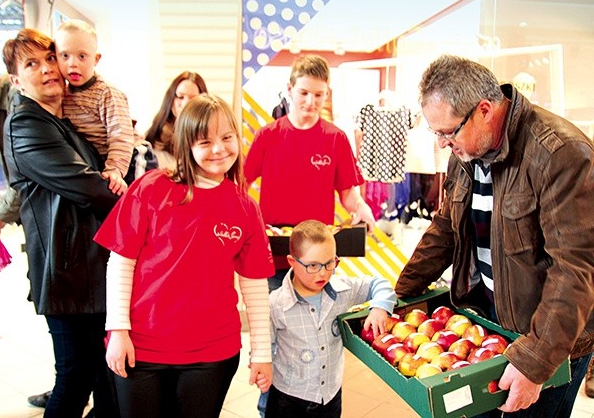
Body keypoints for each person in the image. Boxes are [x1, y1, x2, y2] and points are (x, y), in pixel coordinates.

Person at [394, 55, 594, 417]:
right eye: (435, 132)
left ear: (484, 110)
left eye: (446, 131)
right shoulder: (466, 149)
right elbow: (445, 228)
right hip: (491, 324)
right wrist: (399, 293)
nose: (441, 143)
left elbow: (576, 269)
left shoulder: (559, 154)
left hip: (548, 340)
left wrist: (535, 361)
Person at [94, 93, 274, 418]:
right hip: (142, 347)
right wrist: (117, 330)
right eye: (205, 141)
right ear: (186, 145)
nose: (219, 149)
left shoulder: (246, 208)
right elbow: (121, 262)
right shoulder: (151, 188)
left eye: (227, 138)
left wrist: (262, 352)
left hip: (212, 354)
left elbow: (255, 286)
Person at [2, 28, 120, 417]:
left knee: (104, 375)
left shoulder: (59, 119)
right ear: (17, 81)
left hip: (90, 268)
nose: (49, 69)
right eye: (32, 64)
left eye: (49, 58)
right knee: (75, 377)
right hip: (68, 273)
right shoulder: (26, 125)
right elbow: (92, 189)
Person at [244, 54, 375, 293]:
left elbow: (349, 193)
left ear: (327, 93)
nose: (310, 101)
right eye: (304, 93)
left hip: (319, 258)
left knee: (318, 326)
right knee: (274, 323)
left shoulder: (335, 138)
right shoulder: (267, 135)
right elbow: (241, 185)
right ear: (290, 89)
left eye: (318, 94)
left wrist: (362, 209)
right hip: (275, 256)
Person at [265, 219, 397, 418]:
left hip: (330, 397)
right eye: (313, 266)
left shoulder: (343, 290)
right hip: (288, 397)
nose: (323, 273)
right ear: (292, 261)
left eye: (330, 263)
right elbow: (265, 346)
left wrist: (380, 308)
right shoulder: (275, 304)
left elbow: (379, 283)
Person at [55, 18, 136, 195]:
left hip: (126, 159)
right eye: (65, 56)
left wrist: (115, 169)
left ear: (96, 59)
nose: (73, 63)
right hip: (95, 161)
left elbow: (120, 136)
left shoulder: (106, 93)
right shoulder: (63, 94)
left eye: (82, 56)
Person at [145, 71, 208, 170]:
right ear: (170, 99)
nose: (185, 103)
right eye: (180, 97)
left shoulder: (209, 136)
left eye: (193, 98)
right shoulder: (154, 137)